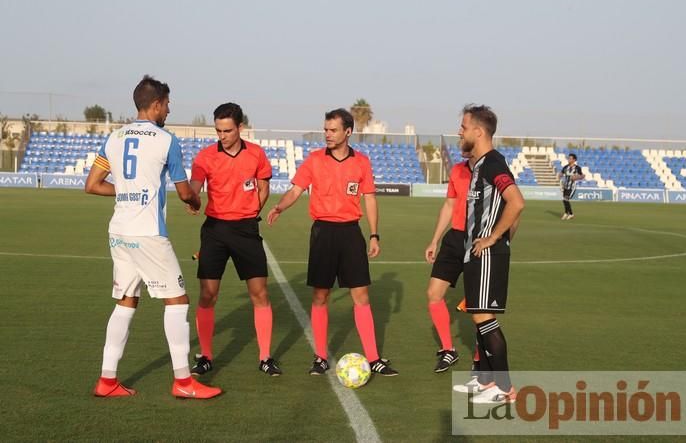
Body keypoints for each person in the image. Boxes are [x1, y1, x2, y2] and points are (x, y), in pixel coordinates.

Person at [85, 75, 221, 399]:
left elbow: (92, 184)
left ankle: (107, 381)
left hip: (119, 230)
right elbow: (185, 190)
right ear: (157, 104)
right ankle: (184, 382)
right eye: (168, 104)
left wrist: (127, 191)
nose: (169, 110)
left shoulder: (114, 138)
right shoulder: (166, 140)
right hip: (148, 233)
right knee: (177, 301)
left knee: (126, 301)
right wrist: (195, 201)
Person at [266, 108, 398, 377]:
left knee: (361, 296)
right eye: (326, 129)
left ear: (348, 132)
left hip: (351, 233)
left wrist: (374, 234)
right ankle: (321, 357)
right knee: (320, 295)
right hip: (323, 233)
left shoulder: (362, 162)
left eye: (333, 130)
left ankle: (374, 358)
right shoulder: (314, 160)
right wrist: (280, 207)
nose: (327, 134)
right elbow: (295, 189)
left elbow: (370, 198)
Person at [187, 102, 281, 377]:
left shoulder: (257, 154)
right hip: (214, 231)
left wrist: (252, 213)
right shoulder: (204, 157)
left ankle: (265, 357)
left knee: (260, 294)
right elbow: (195, 186)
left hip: (246, 231)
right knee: (208, 295)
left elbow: (264, 187)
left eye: (227, 130)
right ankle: (205, 355)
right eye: (218, 130)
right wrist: (192, 199)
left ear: (240, 127)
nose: (222, 135)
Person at [451, 104, 525, 404]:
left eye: (464, 127)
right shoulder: (479, 165)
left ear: (478, 132)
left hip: (487, 254)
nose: (460, 131)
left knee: (484, 317)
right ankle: (485, 380)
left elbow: (517, 202)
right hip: (477, 254)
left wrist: (495, 239)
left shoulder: (494, 162)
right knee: (478, 316)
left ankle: (505, 389)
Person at [424, 150, 473, 373]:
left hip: (480, 240)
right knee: (434, 294)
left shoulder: (493, 169)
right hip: (454, 237)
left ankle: (482, 358)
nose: (460, 140)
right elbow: (449, 205)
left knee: (481, 306)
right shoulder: (457, 170)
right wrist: (435, 240)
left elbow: (512, 206)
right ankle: (448, 349)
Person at [558, 153, 583, 220]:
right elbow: (561, 173)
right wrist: (560, 176)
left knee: (566, 199)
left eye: (570, 158)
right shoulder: (566, 167)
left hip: (572, 187)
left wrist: (576, 177)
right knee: (564, 200)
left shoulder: (577, 168)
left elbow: (582, 176)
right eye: (568, 158)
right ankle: (567, 213)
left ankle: (570, 214)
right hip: (566, 186)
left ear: (574, 160)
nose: (569, 159)